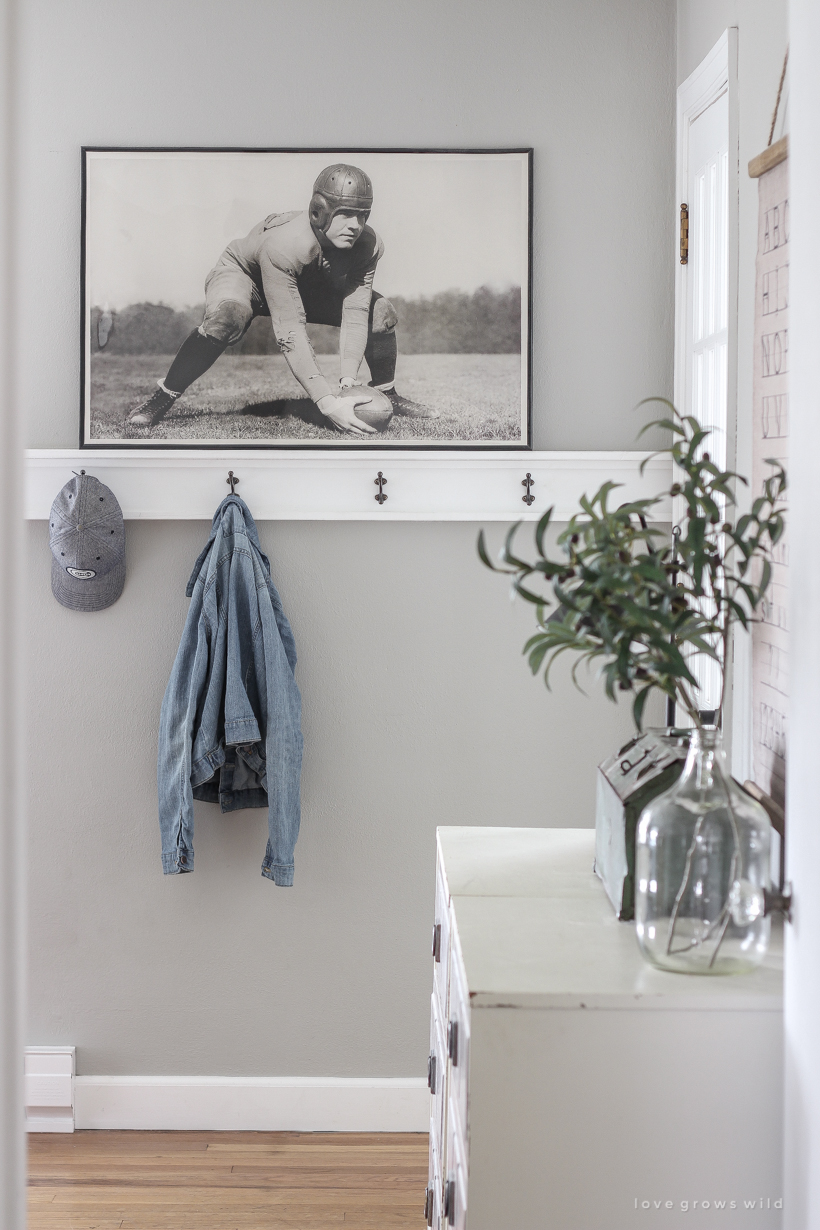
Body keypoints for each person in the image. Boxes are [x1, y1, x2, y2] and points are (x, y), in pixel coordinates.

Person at [126, 163, 436, 436]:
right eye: (346, 215)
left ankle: (387, 392)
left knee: (379, 311)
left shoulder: (369, 245)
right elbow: (290, 330)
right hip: (246, 277)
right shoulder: (285, 243)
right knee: (226, 320)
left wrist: (347, 381)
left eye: (363, 215)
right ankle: (164, 396)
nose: (355, 226)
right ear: (320, 211)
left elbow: (355, 310)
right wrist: (327, 403)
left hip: (301, 283)